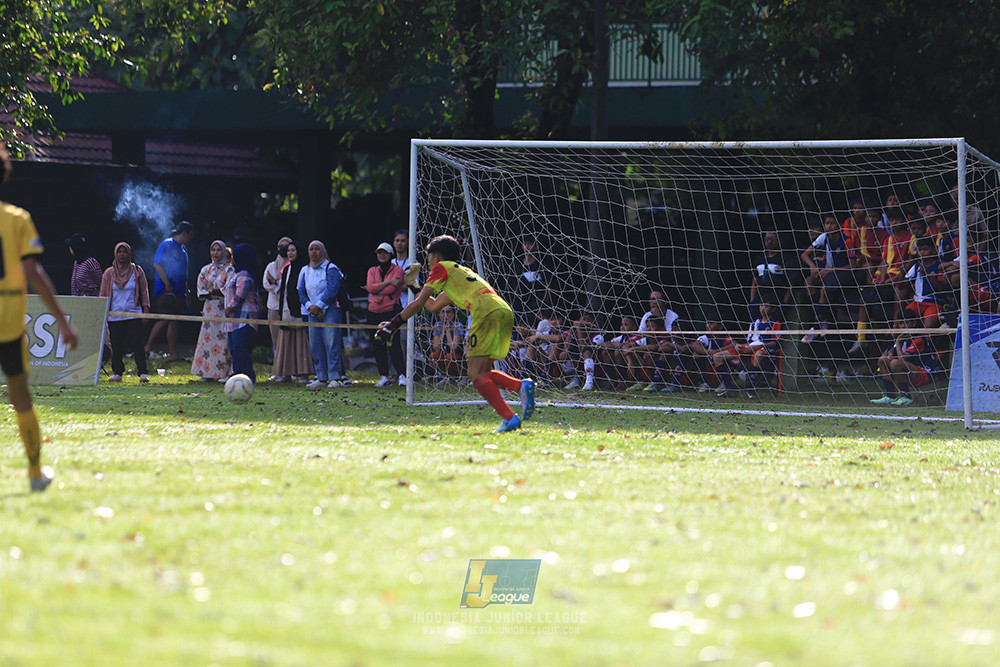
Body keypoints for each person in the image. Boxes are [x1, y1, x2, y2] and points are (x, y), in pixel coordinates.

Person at [375, 234, 536, 433]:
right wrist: (414, 286)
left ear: (436, 257)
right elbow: (432, 306)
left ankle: (509, 417)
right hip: (502, 310)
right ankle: (521, 386)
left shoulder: (440, 268)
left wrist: (393, 324)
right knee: (482, 371)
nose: (428, 260)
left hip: (484, 312)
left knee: (474, 373)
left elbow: (418, 304)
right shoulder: (458, 272)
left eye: (428, 256)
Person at [0, 143, 79, 491]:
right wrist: (62, 321)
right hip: (8, 322)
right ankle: (34, 474)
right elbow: (34, 272)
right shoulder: (17, 219)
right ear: (5, 174)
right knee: (20, 397)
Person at [299, 240, 347, 389]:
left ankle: (334, 376)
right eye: (311, 249)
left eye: (317, 249)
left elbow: (332, 289)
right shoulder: (305, 270)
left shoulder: (331, 268)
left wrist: (319, 306)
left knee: (331, 342)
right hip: (312, 311)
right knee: (315, 344)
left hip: (330, 309)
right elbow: (301, 291)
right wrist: (310, 307)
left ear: (323, 251)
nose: (314, 252)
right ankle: (321, 376)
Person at [870, 308, 943, 407]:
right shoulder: (899, 336)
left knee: (895, 363)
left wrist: (899, 343)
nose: (903, 326)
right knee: (882, 360)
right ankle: (890, 396)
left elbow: (902, 359)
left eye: (906, 323)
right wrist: (891, 353)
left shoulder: (918, 338)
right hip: (910, 370)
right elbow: (891, 352)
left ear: (914, 323)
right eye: (900, 323)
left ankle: (906, 397)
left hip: (925, 372)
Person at [99, 242, 150, 383]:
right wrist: (102, 311)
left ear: (129, 254)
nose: (122, 254)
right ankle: (117, 372)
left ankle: (143, 373)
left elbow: (144, 291)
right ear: (115, 254)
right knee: (116, 344)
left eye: (124, 252)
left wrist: (146, 309)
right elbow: (103, 293)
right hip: (115, 315)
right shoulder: (108, 273)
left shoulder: (137, 271)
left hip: (133, 313)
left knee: (136, 343)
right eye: (119, 252)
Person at [712, 300, 782, 399]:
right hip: (750, 348)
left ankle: (750, 390)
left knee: (758, 355)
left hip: (765, 349)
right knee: (717, 356)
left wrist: (756, 347)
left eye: (766, 306)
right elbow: (750, 342)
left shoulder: (775, 323)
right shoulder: (754, 324)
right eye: (761, 305)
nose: (762, 308)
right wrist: (739, 346)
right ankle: (728, 389)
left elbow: (774, 343)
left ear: (773, 308)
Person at [145, 220, 194, 361]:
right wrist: (166, 283)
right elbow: (157, 264)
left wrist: (187, 291)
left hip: (179, 292)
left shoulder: (183, 250)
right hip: (167, 290)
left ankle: (173, 354)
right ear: (184, 233)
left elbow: (183, 273)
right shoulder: (167, 244)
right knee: (165, 318)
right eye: (190, 235)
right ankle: (146, 348)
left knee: (174, 321)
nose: (190, 238)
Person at [191, 240, 234, 381]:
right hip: (209, 309)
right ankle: (206, 372)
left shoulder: (229, 270)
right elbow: (201, 290)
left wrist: (213, 291)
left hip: (223, 309)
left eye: (218, 250)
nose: (215, 253)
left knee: (222, 341)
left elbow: (227, 290)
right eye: (213, 250)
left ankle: (223, 372)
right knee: (207, 340)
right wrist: (212, 292)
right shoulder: (205, 270)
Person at [272, 241, 314, 382]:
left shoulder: (305, 268)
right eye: (288, 250)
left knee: (301, 342)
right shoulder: (287, 269)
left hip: (300, 310)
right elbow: (283, 290)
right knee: (286, 341)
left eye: (293, 250)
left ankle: (303, 373)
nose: (290, 253)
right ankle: (286, 373)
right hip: (286, 309)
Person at [365, 242, 406, 387]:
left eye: (385, 252)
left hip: (390, 310)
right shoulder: (372, 270)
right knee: (377, 344)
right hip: (373, 311)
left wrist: (376, 289)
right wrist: (388, 282)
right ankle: (383, 376)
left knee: (394, 344)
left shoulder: (398, 270)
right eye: (379, 252)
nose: (382, 255)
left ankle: (402, 375)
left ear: (390, 254)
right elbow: (371, 288)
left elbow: (390, 290)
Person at [225, 243, 259, 382]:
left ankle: (247, 376)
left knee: (240, 347)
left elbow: (240, 296)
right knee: (234, 349)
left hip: (244, 316)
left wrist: (229, 307)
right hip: (234, 319)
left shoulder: (245, 274)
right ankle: (237, 376)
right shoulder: (236, 273)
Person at [262, 236, 293, 373]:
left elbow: (289, 284)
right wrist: (278, 288)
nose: (283, 249)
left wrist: (276, 282)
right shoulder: (271, 266)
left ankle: (291, 371)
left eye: (287, 247)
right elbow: (266, 283)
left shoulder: (293, 266)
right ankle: (277, 371)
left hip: (288, 307)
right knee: (276, 340)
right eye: (281, 246)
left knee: (289, 340)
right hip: (274, 306)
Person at [429, 304, 466, 383]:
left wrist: (447, 331)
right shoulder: (438, 325)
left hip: (458, 358)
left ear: (453, 314)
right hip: (444, 356)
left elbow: (453, 347)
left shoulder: (458, 325)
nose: (446, 315)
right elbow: (436, 348)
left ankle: (457, 376)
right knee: (434, 356)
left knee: (450, 356)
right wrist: (443, 331)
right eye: (443, 312)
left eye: (448, 312)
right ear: (439, 314)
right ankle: (444, 376)